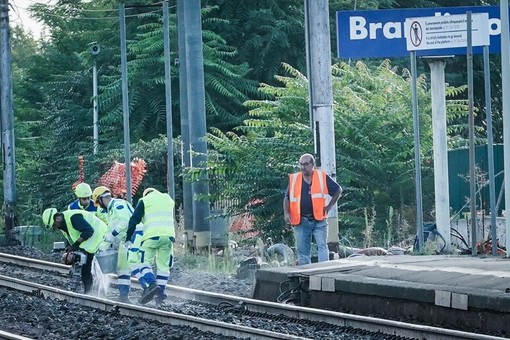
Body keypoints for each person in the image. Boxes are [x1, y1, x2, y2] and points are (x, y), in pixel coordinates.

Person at [283, 153, 342, 265]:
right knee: (303, 252)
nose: (302, 167)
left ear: (312, 165)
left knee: (322, 246)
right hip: (301, 220)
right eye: (301, 164)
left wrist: (329, 206)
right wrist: (286, 213)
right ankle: (306, 277)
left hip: (319, 219)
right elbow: (287, 198)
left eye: (306, 164)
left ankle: (323, 273)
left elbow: (338, 190)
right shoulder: (295, 179)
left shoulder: (322, 177)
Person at [126, 187, 176, 305]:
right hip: (169, 237)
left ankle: (152, 284)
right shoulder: (168, 199)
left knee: (143, 261)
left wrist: (128, 237)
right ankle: (160, 296)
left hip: (151, 236)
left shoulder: (145, 200)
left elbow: (134, 219)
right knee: (163, 266)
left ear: (146, 194)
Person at [41, 207, 107, 294]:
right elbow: (71, 236)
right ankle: (90, 292)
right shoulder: (64, 224)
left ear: (57, 218)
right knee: (86, 268)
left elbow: (89, 231)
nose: (55, 227)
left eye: (54, 225)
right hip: (90, 243)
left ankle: (90, 293)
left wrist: (75, 245)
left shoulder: (73, 218)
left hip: (100, 238)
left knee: (87, 269)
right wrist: (70, 247)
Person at [92, 186, 140, 303]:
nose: (100, 206)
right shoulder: (111, 210)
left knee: (136, 265)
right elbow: (111, 228)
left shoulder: (119, 205)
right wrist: (105, 244)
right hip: (125, 241)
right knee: (123, 268)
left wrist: (112, 234)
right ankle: (124, 295)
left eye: (99, 202)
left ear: (102, 199)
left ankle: (150, 287)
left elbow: (125, 221)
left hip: (134, 237)